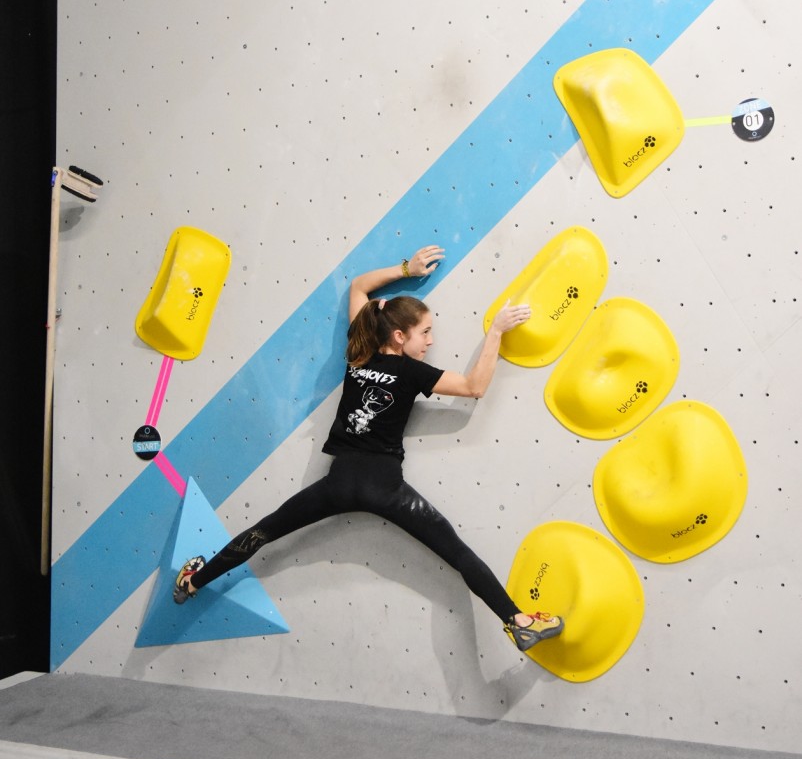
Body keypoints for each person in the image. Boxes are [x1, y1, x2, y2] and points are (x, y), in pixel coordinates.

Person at [173, 245, 564, 652]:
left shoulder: (358, 354)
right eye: (425, 333)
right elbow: (474, 387)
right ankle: (517, 621)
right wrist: (496, 332)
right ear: (400, 335)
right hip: (386, 490)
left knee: (264, 531)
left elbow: (359, 286)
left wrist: (404, 268)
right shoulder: (412, 372)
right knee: (457, 553)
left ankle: (193, 580)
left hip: (337, 484)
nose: (430, 341)